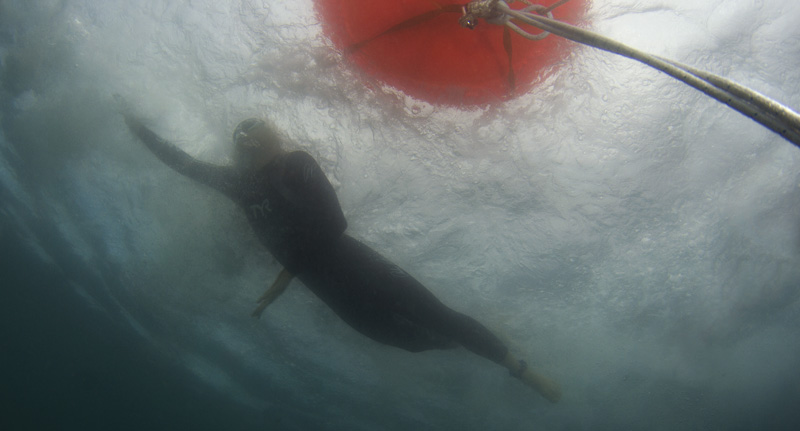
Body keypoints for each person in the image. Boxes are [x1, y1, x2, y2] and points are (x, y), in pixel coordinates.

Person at [122, 112, 562, 403]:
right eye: (240, 132)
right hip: (329, 289)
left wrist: (285, 276)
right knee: (403, 341)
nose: (245, 135)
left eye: (254, 126)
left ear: (271, 134)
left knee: (440, 317)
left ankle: (520, 369)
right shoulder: (239, 185)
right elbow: (182, 162)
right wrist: (135, 127)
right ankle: (479, 341)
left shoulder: (295, 163)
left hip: (360, 266)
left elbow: (335, 223)